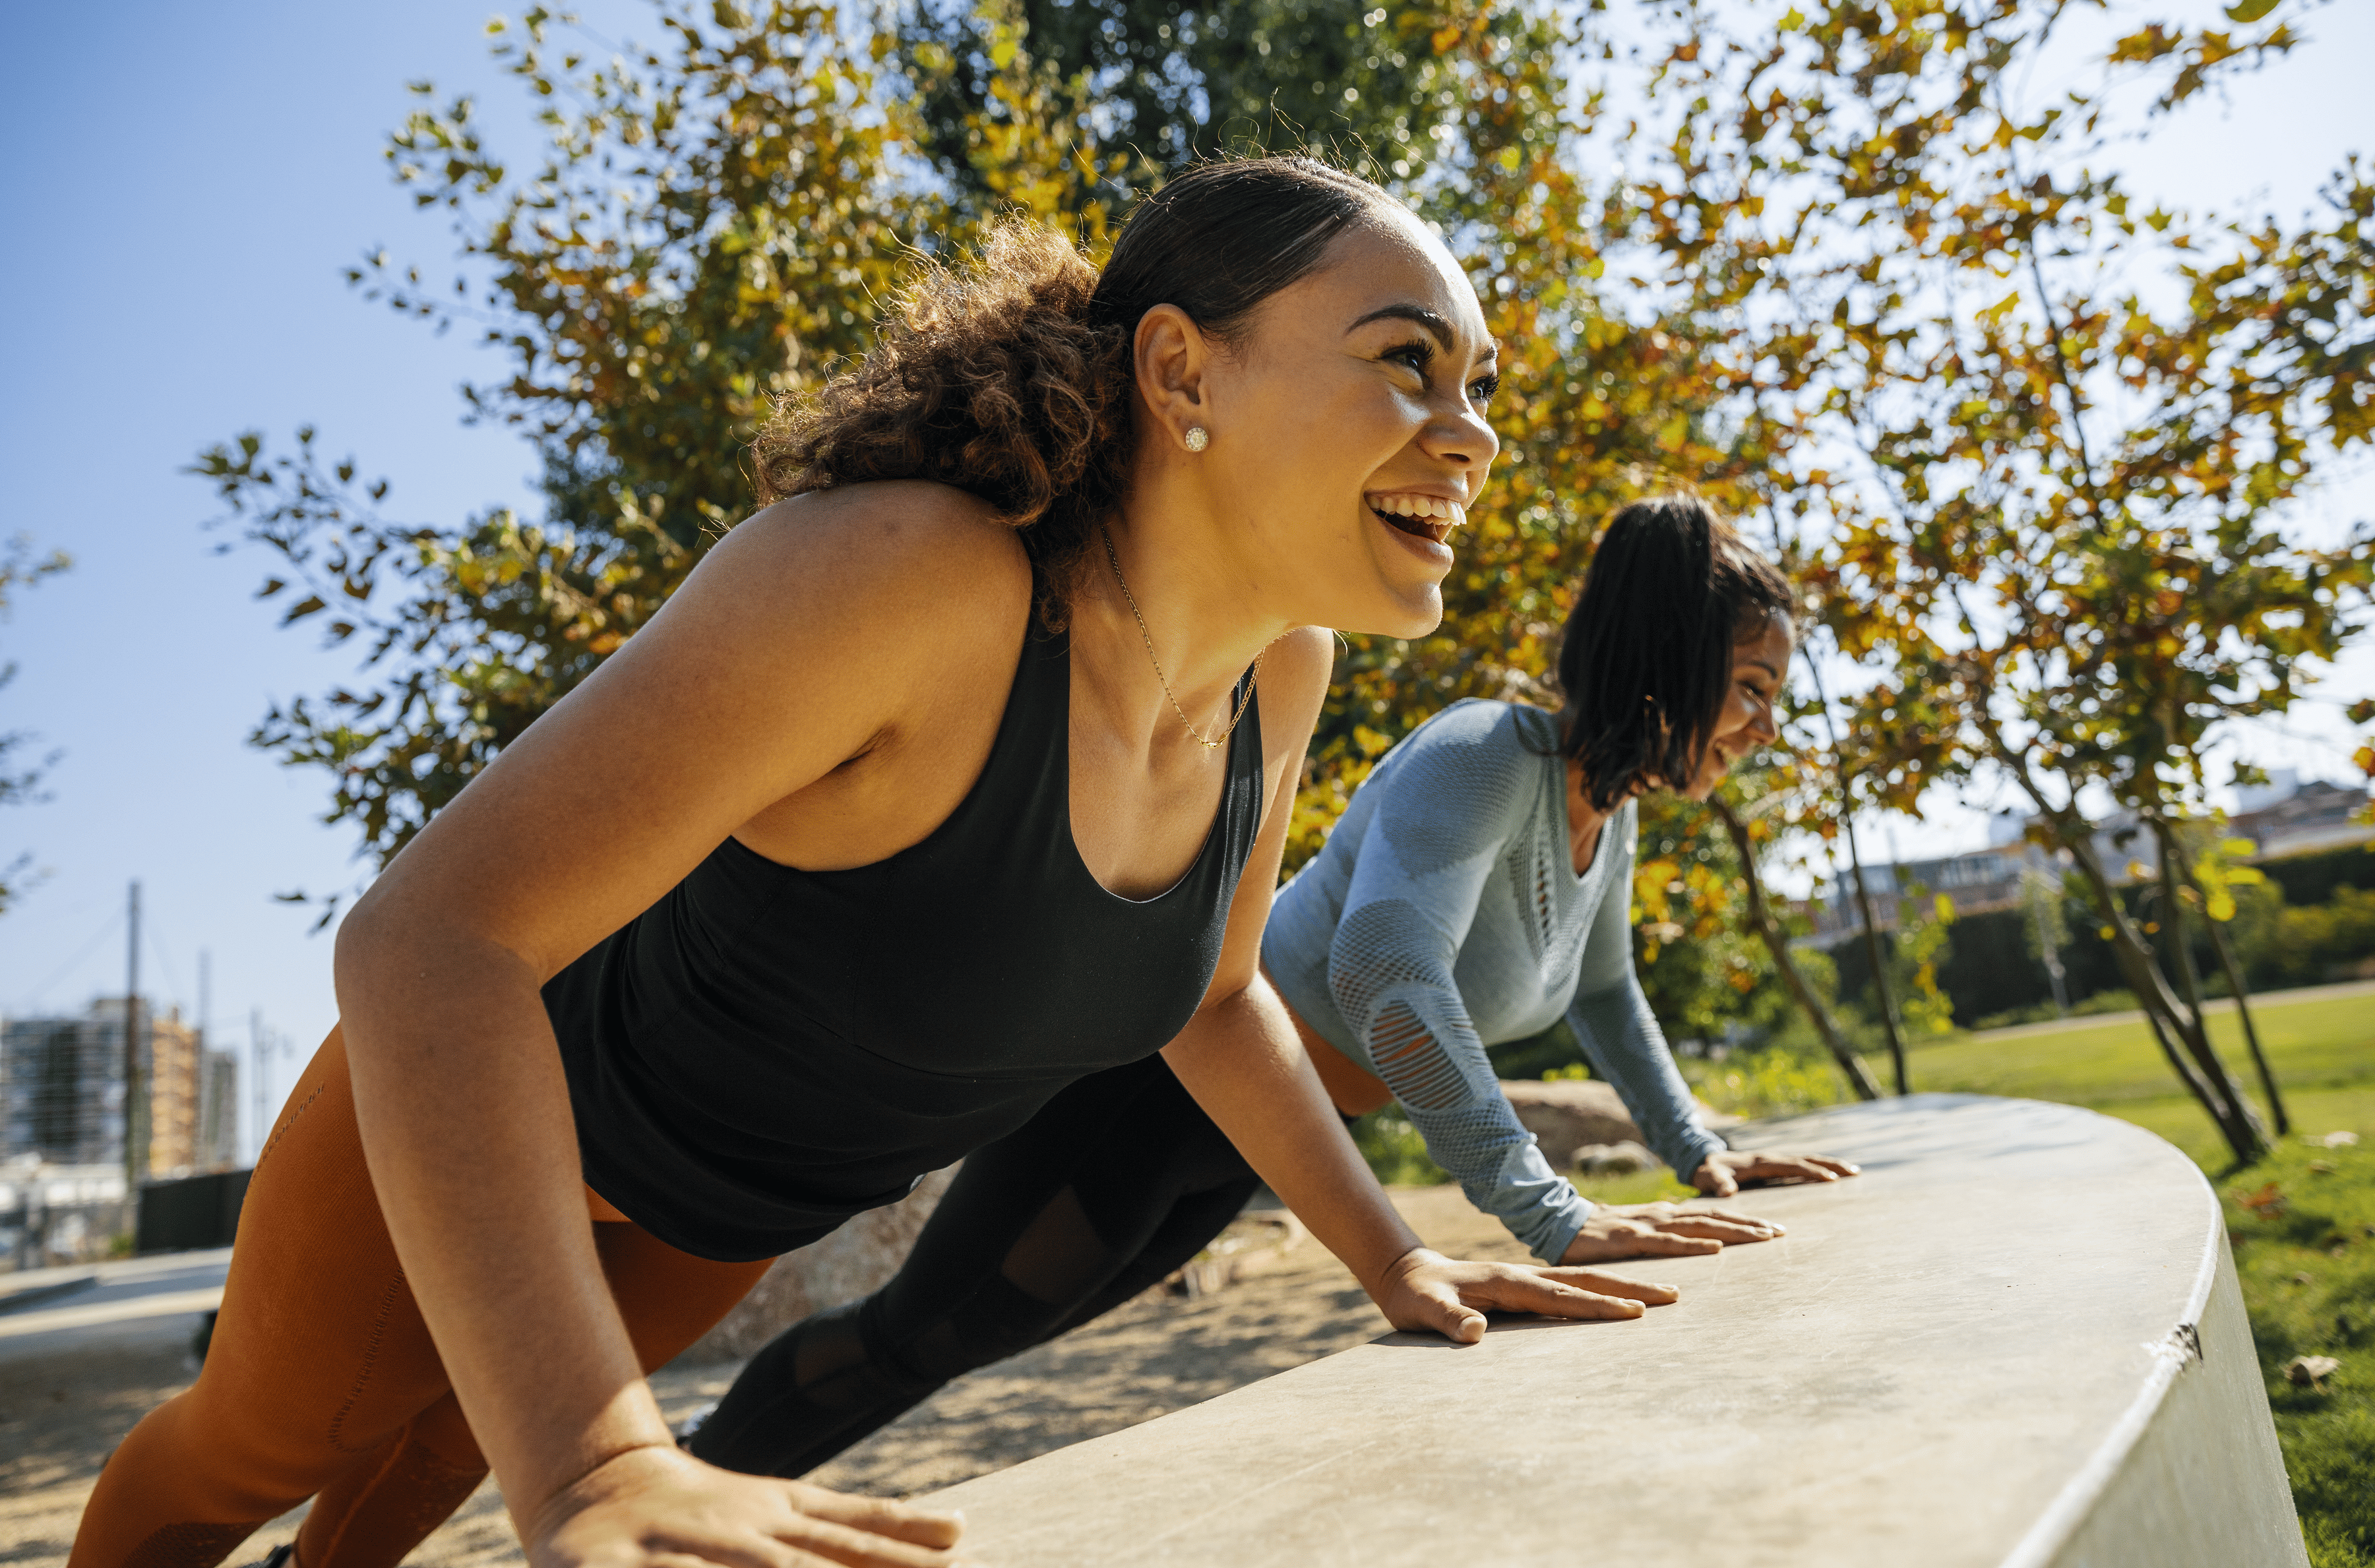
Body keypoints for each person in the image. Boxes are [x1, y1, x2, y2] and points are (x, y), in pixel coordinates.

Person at [71, 157, 1685, 1568]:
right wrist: (594, 1453)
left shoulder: (1282, 672)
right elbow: (428, 941)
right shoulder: (914, 578)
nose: (1471, 435)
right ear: (1183, 373)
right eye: (1411, 364)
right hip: (489, 1116)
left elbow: (1211, 994)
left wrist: (1399, 1256)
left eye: (1483, 385)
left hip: (723, 1206)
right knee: (254, 1452)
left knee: (437, 1455)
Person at [685, 491, 1860, 1481]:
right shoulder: (1488, 757)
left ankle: (704, 1491)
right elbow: (1387, 974)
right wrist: (1550, 1214)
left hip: (1262, 1137)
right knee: (930, 1334)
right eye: (1752, 686)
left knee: (967, 1338)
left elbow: (1608, 996)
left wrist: (1701, 1147)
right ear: (1672, 657)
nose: (1765, 724)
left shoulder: (1607, 819)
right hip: (1154, 1094)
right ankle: (686, 1478)